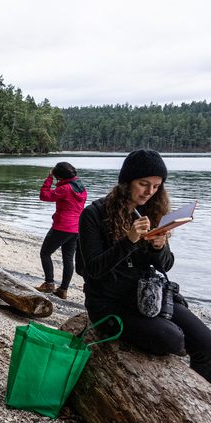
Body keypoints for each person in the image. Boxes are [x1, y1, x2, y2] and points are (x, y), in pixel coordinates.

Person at [76, 149, 211, 382]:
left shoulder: (151, 212)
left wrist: (160, 247)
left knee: (207, 344)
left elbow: (166, 266)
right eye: (144, 184)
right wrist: (128, 241)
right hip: (107, 303)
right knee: (174, 339)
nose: (150, 192)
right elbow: (92, 271)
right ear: (126, 182)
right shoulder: (93, 214)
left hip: (146, 296)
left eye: (157, 186)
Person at [35, 162, 87, 299]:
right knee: (68, 259)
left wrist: (49, 178)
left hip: (62, 226)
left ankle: (49, 284)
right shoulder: (81, 188)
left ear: (60, 176)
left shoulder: (65, 188)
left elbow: (44, 196)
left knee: (45, 253)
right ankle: (63, 290)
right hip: (76, 228)